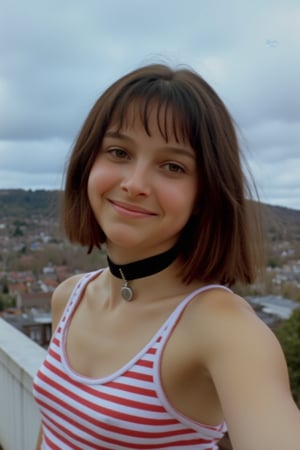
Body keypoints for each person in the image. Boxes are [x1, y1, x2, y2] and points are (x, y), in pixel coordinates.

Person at [33, 63, 300, 450]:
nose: (135, 183)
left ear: (204, 195)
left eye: (172, 166)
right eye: (119, 151)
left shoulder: (223, 330)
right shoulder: (69, 296)